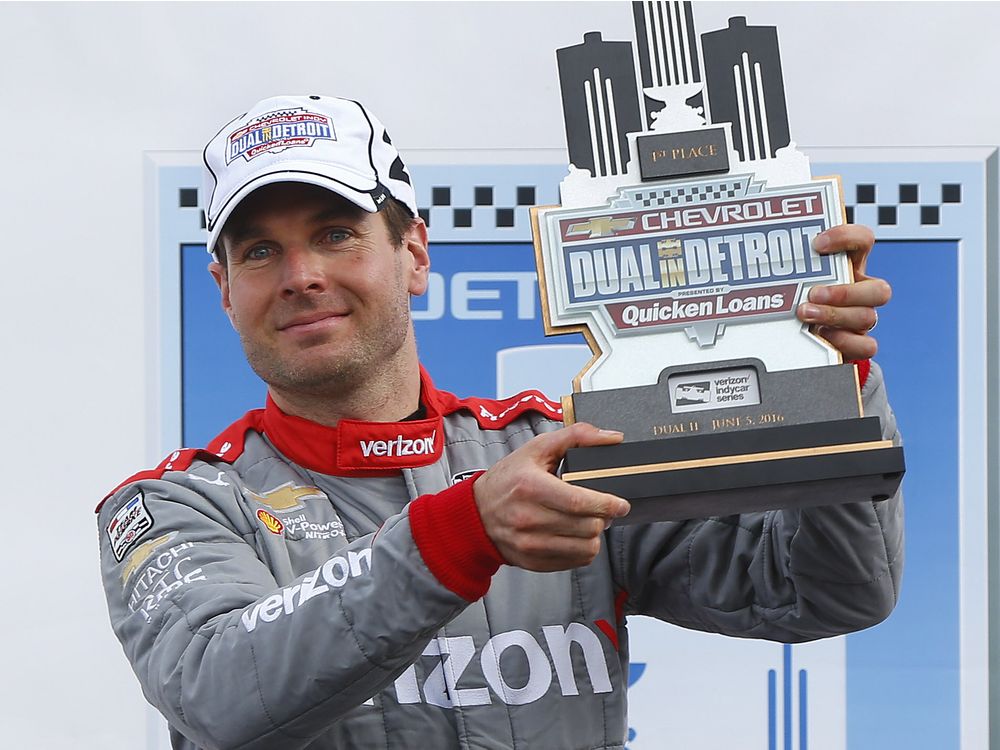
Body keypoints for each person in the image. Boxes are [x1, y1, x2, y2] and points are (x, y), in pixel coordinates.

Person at [97, 95, 902, 750]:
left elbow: (824, 594)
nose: (301, 275)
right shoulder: (172, 507)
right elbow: (217, 694)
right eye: (259, 252)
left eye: (336, 234)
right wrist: (458, 535)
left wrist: (827, 394)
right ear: (224, 289)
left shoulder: (555, 452)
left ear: (413, 253)